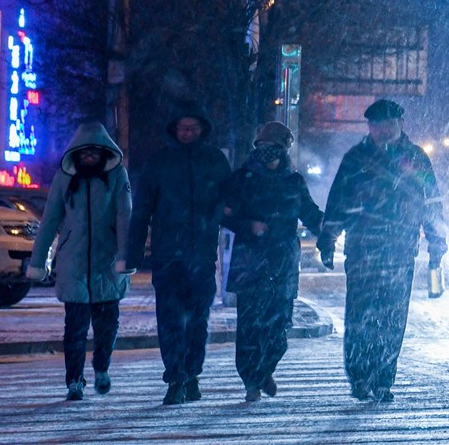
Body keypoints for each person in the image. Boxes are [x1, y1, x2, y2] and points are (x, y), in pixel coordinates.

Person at [318, 98, 447, 403]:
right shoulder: (356, 159)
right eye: (378, 125)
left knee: (392, 319)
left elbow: (432, 204)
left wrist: (437, 244)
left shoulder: (416, 158)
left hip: (400, 252)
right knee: (360, 317)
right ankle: (360, 377)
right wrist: (328, 238)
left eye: (389, 124)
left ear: (400, 125)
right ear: (370, 128)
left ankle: (383, 380)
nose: (384, 131)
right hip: (362, 252)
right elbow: (338, 202)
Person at [126, 102, 231, 405]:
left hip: (201, 254)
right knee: (170, 318)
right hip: (168, 255)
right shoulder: (160, 162)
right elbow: (142, 208)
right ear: (174, 129)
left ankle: (192, 374)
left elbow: (231, 199)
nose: (187, 132)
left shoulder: (214, 161)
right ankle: (175, 377)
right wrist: (132, 254)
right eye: (183, 127)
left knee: (199, 319)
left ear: (202, 130)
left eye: (193, 127)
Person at [218, 121, 325, 402]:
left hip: (283, 264)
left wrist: (329, 228)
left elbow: (310, 213)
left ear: (283, 150)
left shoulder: (294, 182)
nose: (266, 153)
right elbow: (224, 212)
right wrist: (248, 225)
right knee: (250, 326)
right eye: (262, 147)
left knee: (279, 327)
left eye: (273, 148)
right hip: (250, 263)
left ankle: (265, 368)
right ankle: (251, 380)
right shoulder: (242, 179)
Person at [27, 121, 133, 401]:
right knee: (74, 329)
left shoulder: (117, 176)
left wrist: (125, 255)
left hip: (107, 263)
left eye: (93, 152)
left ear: (102, 153)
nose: (88, 157)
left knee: (106, 326)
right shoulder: (65, 178)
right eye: (84, 152)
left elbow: (125, 217)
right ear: (76, 153)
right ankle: (74, 380)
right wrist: (38, 260)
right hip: (73, 264)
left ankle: (101, 369)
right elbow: (50, 220)